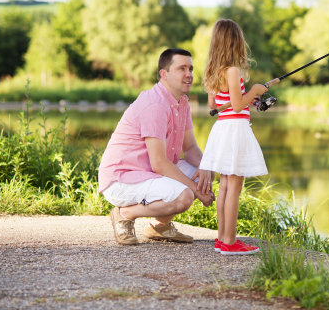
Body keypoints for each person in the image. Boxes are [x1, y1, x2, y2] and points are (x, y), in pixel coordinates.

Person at [98, 48, 215, 246]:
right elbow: (159, 163)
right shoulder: (155, 104)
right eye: (181, 69)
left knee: (203, 173)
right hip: (123, 178)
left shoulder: (182, 102)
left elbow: (191, 147)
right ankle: (124, 213)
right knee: (185, 196)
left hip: (149, 172)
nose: (189, 74)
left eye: (191, 69)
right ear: (164, 74)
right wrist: (195, 189)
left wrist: (206, 171)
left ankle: (159, 227)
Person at [199, 19, 269, 255]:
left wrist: (247, 97)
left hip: (221, 129)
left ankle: (222, 239)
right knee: (234, 187)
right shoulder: (233, 71)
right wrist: (255, 91)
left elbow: (213, 104)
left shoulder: (213, 71)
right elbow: (238, 105)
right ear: (236, 43)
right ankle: (230, 242)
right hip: (235, 129)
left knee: (225, 186)